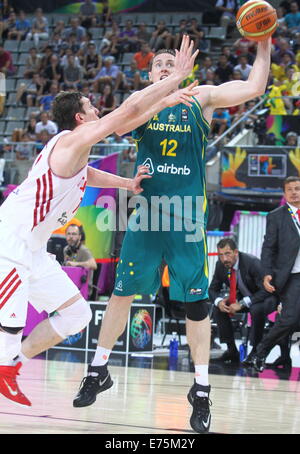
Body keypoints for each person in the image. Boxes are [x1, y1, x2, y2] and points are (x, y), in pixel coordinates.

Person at [73, 35, 272, 434]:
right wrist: (158, 97)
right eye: (159, 65)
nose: (165, 67)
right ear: (150, 74)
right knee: (123, 292)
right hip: (144, 214)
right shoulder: (141, 105)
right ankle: (98, 370)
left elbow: (253, 88)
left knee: (196, 303)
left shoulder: (201, 98)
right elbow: (114, 128)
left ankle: (200, 390)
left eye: (170, 64)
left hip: (184, 218)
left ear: (183, 72)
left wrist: (264, 45)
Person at [0, 34, 199, 408]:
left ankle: (12, 364)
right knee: (8, 324)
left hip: (34, 248)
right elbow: (125, 114)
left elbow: (85, 175)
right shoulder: (73, 139)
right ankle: (4, 364)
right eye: (92, 107)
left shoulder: (76, 152)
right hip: (8, 241)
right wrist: (174, 80)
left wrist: (126, 183)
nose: (98, 110)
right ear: (80, 117)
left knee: (76, 314)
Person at [253, 176, 300, 372]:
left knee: (294, 320)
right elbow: (268, 248)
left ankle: (281, 354)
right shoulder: (276, 216)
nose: (295, 192)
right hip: (291, 275)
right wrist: (267, 273)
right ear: (284, 193)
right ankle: (261, 351)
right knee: (288, 318)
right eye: (290, 189)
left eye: (298, 188)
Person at [209, 238, 278, 365]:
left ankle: (255, 351)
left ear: (236, 252)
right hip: (245, 298)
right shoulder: (221, 265)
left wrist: (241, 304)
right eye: (221, 255)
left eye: (227, 254)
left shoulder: (252, 263)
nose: (224, 259)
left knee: (256, 309)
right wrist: (219, 302)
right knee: (219, 309)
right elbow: (212, 289)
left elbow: (265, 290)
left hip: (266, 298)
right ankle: (231, 350)